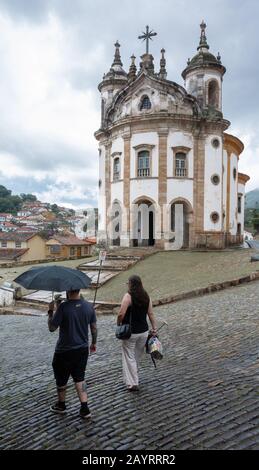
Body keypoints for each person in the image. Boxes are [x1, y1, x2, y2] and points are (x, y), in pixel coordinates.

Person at [47, 289, 97, 419]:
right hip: (82, 349)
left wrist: (51, 311)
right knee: (80, 377)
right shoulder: (88, 306)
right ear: (79, 289)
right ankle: (85, 408)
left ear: (68, 291)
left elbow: (52, 328)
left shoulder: (63, 307)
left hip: (64, 350)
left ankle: (61, 405)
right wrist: (93, 343)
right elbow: (94, 328)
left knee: (61, 378)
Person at [117, 275, 157, 391]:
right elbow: (151, 314)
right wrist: (154, 328)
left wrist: (118, 323)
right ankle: (134, 378)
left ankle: (132, 383)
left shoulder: (128, 296)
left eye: (127, 283)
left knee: (129, 356)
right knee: (136, 356)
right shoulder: (146, 296)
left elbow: (121, 313)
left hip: (131, 332)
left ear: (131, 284)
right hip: (143, 332)